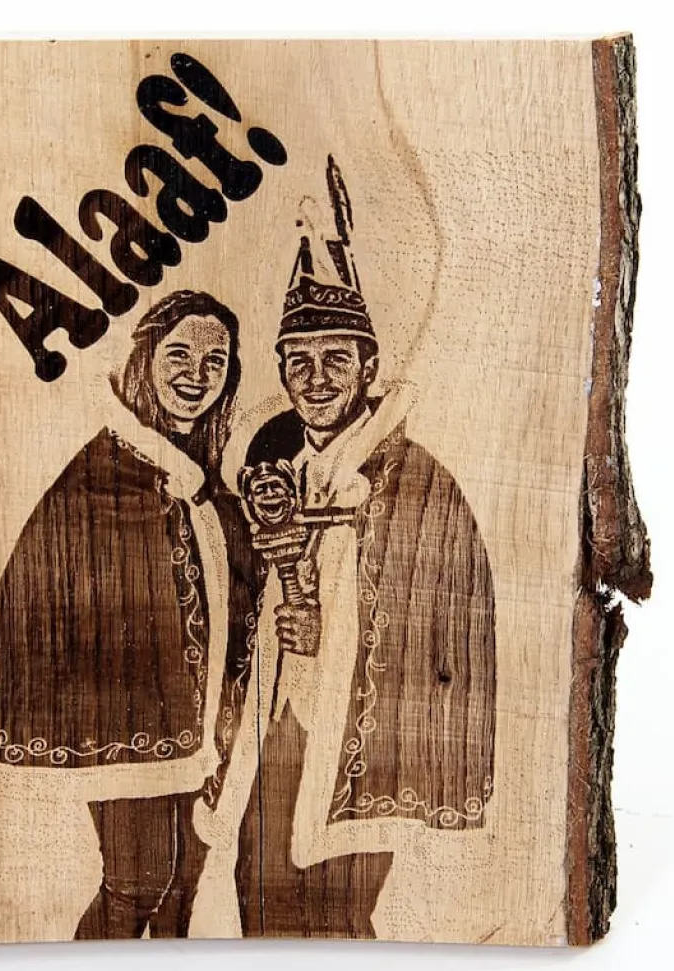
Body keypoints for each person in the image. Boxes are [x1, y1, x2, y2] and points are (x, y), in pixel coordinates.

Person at [196, 158, 497, 939]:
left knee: (338, 914)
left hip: (360, 731)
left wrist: (333, 632)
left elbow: (445, 613)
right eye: (299, 361)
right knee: (258, 894)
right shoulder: (272, 466)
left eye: (336, 359)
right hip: (274, 718)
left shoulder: (416, 480)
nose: (317, 378)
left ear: (368, 367)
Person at [0, 289, 259, 939]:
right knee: (137, 883)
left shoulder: (205, 476)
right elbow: (42, 584)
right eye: (179, 354)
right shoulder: (103, 469)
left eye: (215, 361)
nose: (196, 375)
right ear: (146, 358)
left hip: (207, 721)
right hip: (131, 720)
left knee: (182, 885)